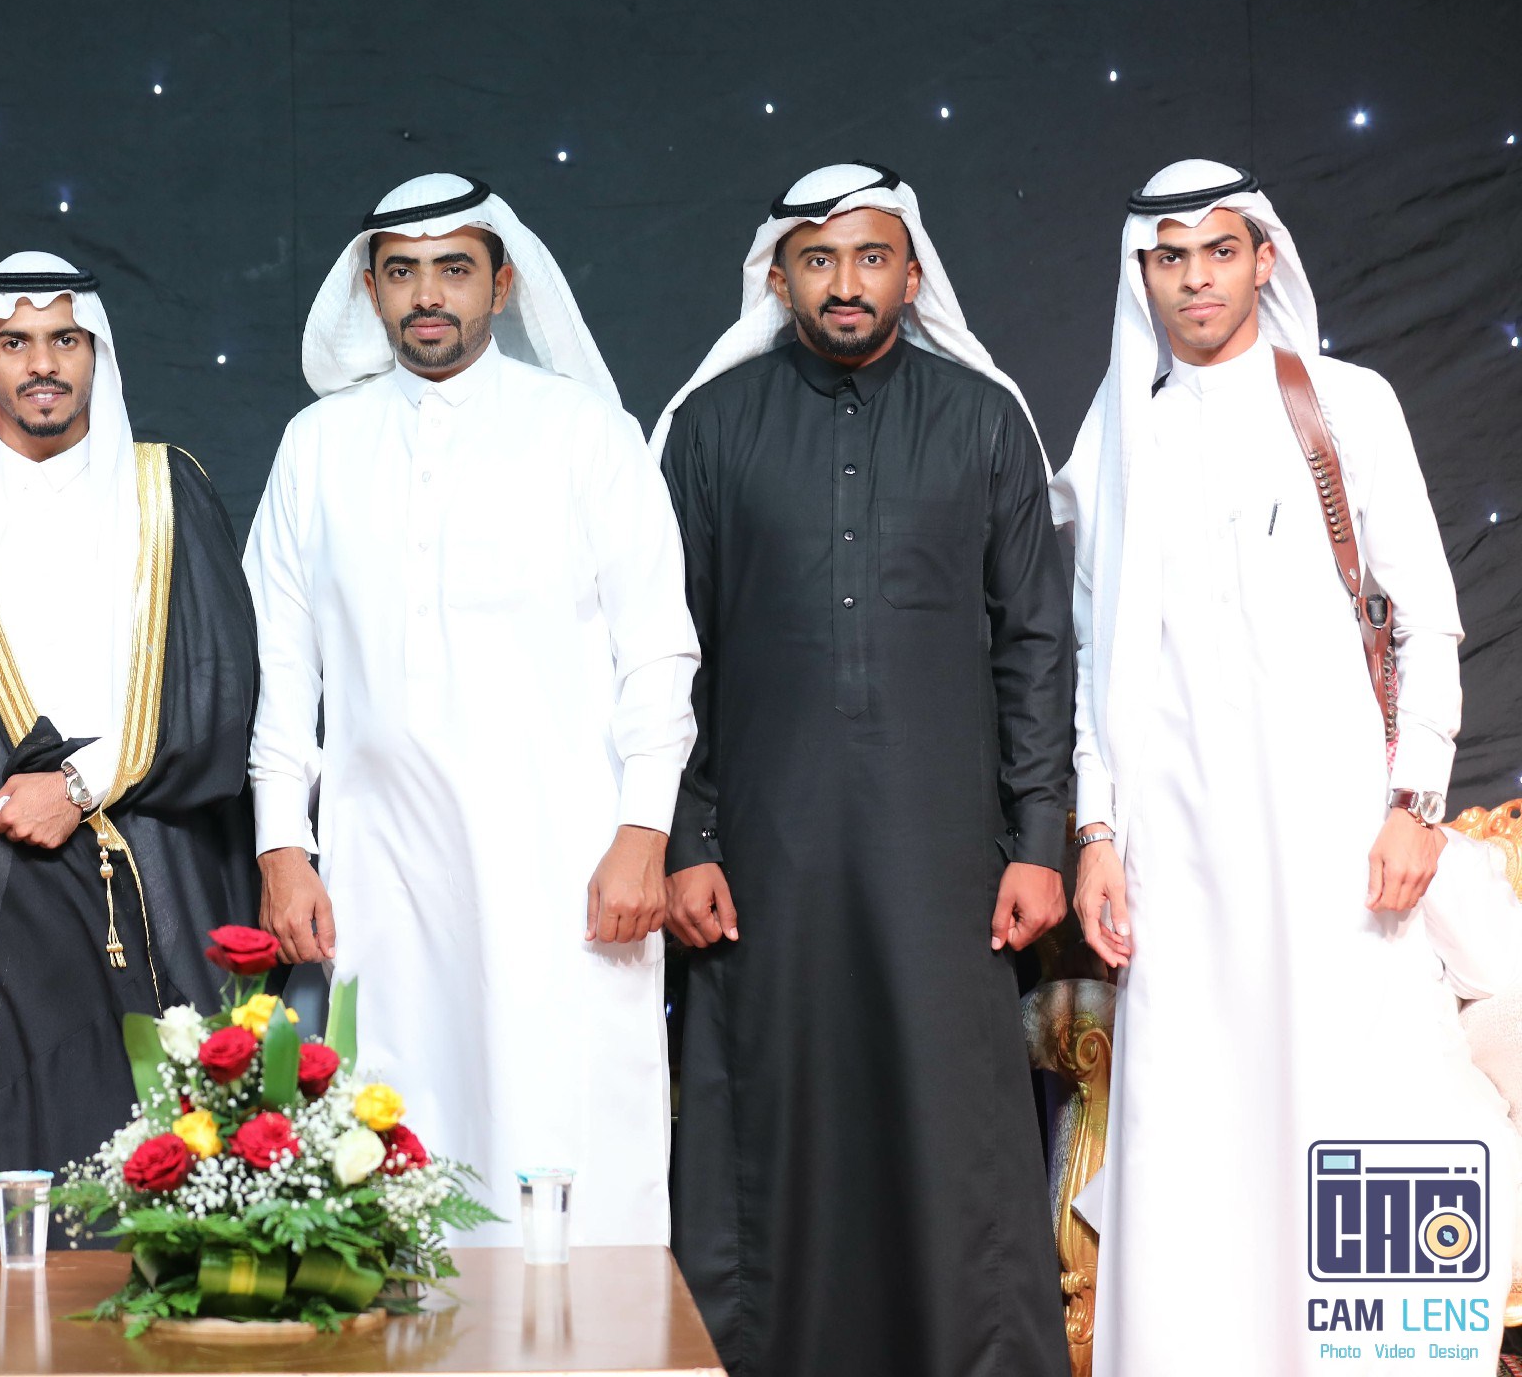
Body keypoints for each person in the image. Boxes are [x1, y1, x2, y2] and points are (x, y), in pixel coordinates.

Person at [1056, 159, 1515, 1375]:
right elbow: (1094, 660)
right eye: (1170, 257)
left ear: (1265, 257)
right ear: (1142, 274)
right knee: (1201, 1138)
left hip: (1338, 843)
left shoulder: (1346, 405)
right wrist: (1097, 834)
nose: (1196, 278)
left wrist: (1416, 802)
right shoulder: (1117, 439)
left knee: (1362, 1117)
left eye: (1220, 249)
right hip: (1180, 859)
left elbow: (1427, 619)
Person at [650, 163, 1070, 1377]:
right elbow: (667, 655)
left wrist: (1039, 841)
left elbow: (1037, 644)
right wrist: (687, 839)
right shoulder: (710, 430)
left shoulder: (984, 421)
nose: (847, 283)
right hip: (760, 860)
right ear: (779, 279)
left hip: (949, 857)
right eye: (820, 260)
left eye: (871, 257)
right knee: (775, 1118)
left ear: (912, 274)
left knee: (950, 1121)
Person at [244, 173, 698, 1247]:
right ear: (370, 291)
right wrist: (281, 846)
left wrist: (643, 833)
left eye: (454, 269)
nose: (428, 296)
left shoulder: (585, 432)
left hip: (565, 865)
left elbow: (659, 652)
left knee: (570, 1127)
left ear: (502, 283)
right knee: (402, 1130)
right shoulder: (317, 445)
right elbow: (283, 666)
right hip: (383, 873)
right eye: (402, 272)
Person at [0, 252, 260, 1256]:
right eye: (16, 341)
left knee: (166, 1157)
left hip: (155, 882)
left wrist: (80, 784)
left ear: (96, 354)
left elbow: (220, 689)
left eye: (65, 339)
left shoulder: (168, 488)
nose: (43, 363)